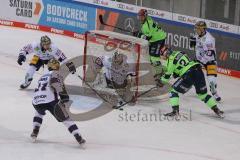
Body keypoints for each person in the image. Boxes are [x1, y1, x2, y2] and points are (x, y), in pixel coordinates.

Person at [31, 58, 86, 146]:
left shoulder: (42, 76)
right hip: (51, 101)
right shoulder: (56, 74)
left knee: (38, 113)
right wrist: (64, 96)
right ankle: (78, 137)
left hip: (36, 100)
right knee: (66, 119)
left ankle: (35, 131)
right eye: (56, 66)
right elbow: (56, 82)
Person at [158, 46, 224, 118]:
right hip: (198, 70)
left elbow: (167, 75)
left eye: (162, 55)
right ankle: (217, 110)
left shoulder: (170, 60)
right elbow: (184, 63)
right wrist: (177, 72)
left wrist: (161, 82)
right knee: (203, 95)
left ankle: (175, 111)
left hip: (189, 74)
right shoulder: (179, 52)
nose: (162, 57)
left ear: (165, 54)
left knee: (173, 91)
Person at [190, 21, 221, 102]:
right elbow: (193, 47)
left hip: (210, 61)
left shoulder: (209, 39)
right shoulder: (197, 35)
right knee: (189, 72)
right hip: (199, 59)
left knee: (211, 82)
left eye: (197, 28)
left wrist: (201, 61)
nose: (195, 30)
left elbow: (209, 54)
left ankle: (214, 92)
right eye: (195, 28)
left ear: (202, 29)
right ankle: (193, 83)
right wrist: (192, 43)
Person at [134, 9, 167, 85]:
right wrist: (139, 34)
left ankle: (159, 76)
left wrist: (138, 35)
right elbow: (147, 35)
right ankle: (161, 69)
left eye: (141, 16)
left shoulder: (147, 25)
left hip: (158, 39)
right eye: (139, 16)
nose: (140, 18)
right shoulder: (147, 20)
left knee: (154, 58)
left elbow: (148, 38)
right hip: (155, 39)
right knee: (150, 58)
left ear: (145, 16)